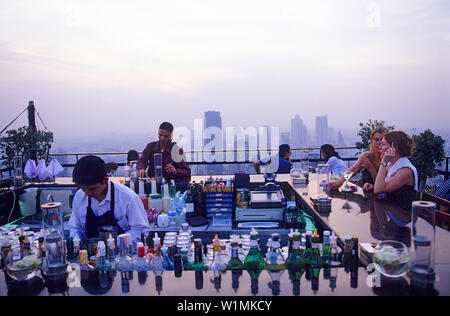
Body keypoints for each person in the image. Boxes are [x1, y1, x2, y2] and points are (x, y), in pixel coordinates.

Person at [68, 156, 151, 243]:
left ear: (105, 180)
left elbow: (140, 230)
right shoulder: (79, 196)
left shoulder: (128, 198)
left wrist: (116, 244)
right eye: (83, 189)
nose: (87, 193)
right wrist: (76, 242)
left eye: (92, 189)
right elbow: (75, 227)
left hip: (122, 253)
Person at [371, 131, 418, 211]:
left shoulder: (405, 171)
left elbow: (378, 190)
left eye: (383, 144)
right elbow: (381, 186)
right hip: (390, 210)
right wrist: (372, 187)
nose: (379, 147)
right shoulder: (391, 164)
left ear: (394, 148)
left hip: (402, 217)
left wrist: (384, 162)